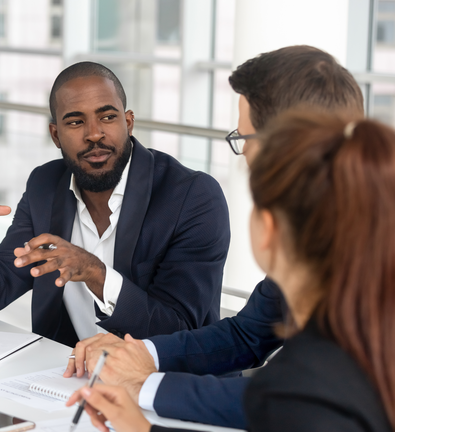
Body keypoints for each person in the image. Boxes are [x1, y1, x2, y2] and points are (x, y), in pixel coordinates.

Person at [64, 45, 366, 429]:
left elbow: (305, 401)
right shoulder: (316, 226)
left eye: (244, 138)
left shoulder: (370, 249)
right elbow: (249, 334)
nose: (243, 156)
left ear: (282, 146)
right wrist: (142, 355)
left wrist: (147, 388)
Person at [0, 61, 230, 347]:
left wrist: (95, 272)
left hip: (164, 391)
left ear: (129, 122)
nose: (94, 134)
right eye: (76, 122)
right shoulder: (45, 186)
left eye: (107, 117)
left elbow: (184, 332)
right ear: (55, 134)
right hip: (69, 383)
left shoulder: (193, 196)